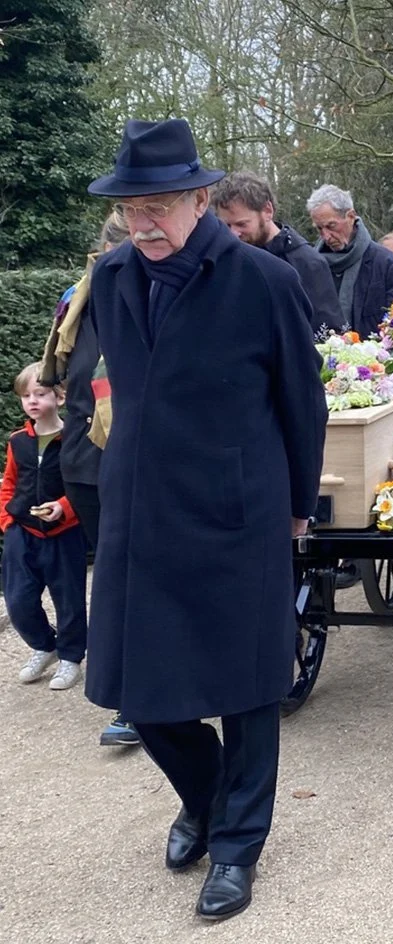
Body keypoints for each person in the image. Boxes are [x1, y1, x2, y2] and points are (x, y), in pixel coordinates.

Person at [85, 118, 325, 921]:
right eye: (132, 208)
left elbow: (302, 402)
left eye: (160, 206)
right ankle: (205, 792)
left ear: (198, 200)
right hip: (139, 517)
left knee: (249, 688)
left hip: (239, 512)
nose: (144, 223)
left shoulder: (263, 279)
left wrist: (296, 508)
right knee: (139, 690)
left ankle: (236, 845)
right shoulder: (113, 277)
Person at [39, 212, 141, 746]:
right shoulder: (76, 298)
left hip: (140, 453)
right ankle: (131, 694)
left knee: (135, 571)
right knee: (115, 572)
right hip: (86, 455)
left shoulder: (154, 293)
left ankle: (143, 693)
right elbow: (55, 374)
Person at [0, 363, 88, 690]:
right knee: (18, 600)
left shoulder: (75, 440)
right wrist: (7, 521)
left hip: (65, 533)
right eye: (26, 396)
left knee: (69, 599)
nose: (32, 401)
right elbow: (9, 484)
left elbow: (85, 486)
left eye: (40, 393)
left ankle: (70, 656)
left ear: (60, 396)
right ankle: (44, 644)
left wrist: (63, 508)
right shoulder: (18, 441)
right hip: (21, 532)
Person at [211, 171, 344, 335]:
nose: (234, 234)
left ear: (267, 211)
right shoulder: (224, 260)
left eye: (242, 224)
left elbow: (329, 335)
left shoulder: (307, 263)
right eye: (227, 226)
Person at [307, 184, 393, 337]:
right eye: (319, 229)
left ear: (351, 216)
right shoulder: (310, 267)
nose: (326, 236)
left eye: (331, 226)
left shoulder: (387, 264)